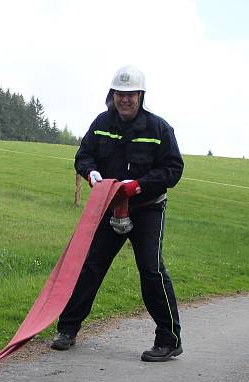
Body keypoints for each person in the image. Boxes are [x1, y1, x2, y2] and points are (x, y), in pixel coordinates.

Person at [51, 65, 184, 362]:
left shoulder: (159, 129)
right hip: (109, 206)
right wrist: (91, 173)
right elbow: (83, 156)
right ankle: (67, 330)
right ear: (112, 95)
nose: (125, 100)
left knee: (151, 271)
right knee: (91, 267)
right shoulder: (100, 123)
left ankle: (169, 339)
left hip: (147, 208)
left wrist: (138, 186)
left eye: (131, 95)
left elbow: (173, 170)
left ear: (141, 96)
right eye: (120, 94)